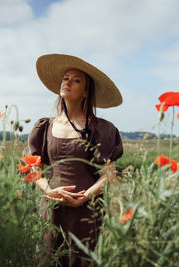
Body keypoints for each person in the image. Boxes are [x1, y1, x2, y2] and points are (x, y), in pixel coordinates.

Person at [28, 54, 124, 266]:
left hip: (86, 210)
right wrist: (47, 190)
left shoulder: (101, 129)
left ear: (86, 92)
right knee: (50, 258)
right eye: (65, 78)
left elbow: (110, 176)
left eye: (76, 80)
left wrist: (84, 196)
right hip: (52, 209)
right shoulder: (44, 127)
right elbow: (32, 170)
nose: (68, 82)